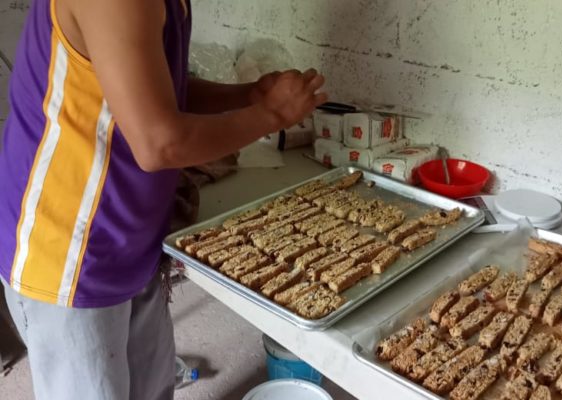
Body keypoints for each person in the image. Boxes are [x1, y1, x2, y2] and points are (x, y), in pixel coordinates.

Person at [0, 0, 327, 399]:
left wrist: (248, 98)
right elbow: (160, 143)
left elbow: (154, 89)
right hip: (70, 249)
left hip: (130, 237)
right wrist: (271, 115)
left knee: (152, 388)